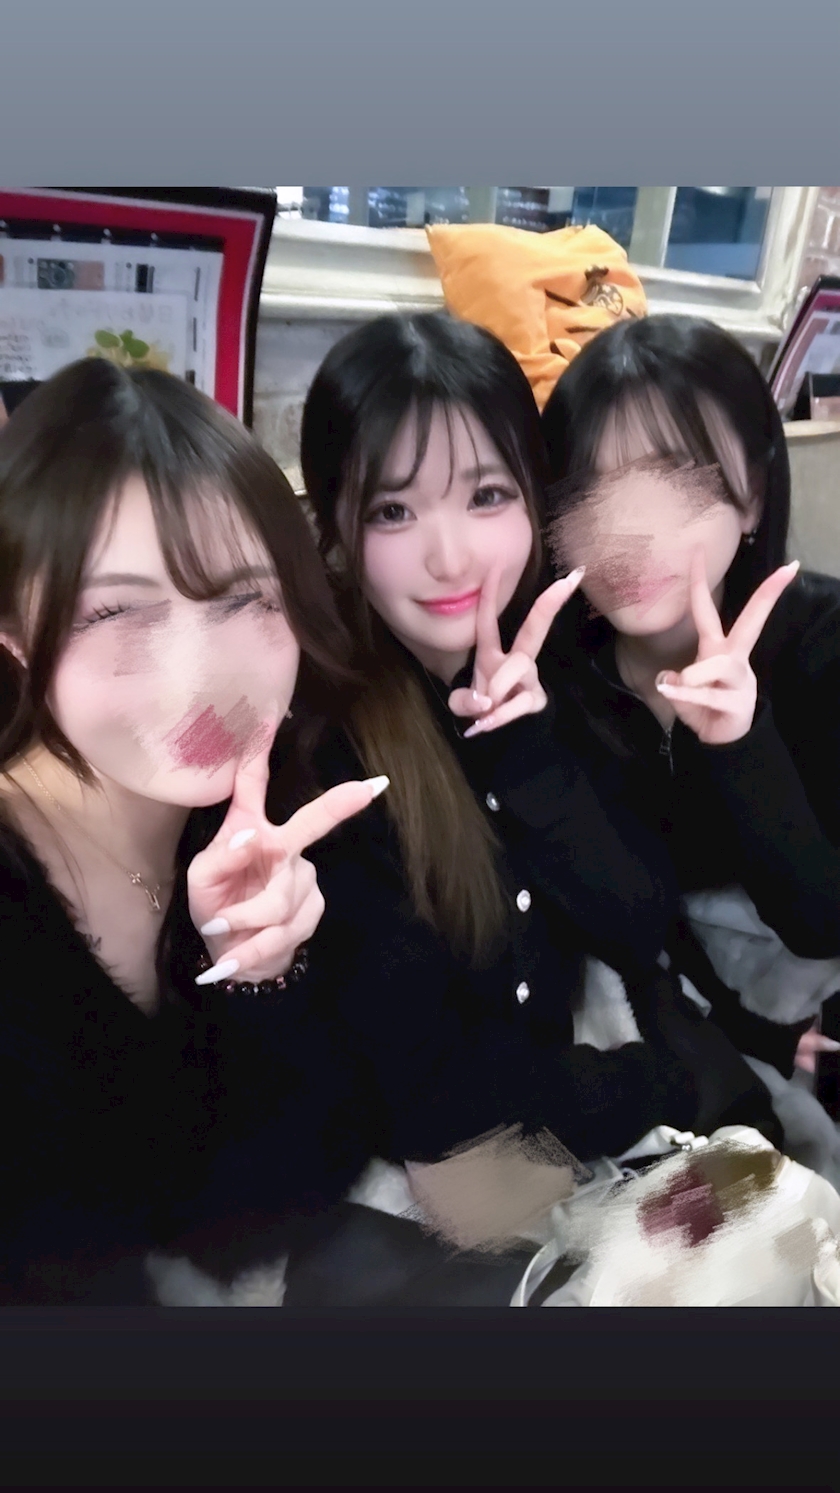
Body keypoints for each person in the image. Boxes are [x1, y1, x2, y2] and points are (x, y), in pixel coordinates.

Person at [295, 309, 780, 1195]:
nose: (451, 558)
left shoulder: (557, 658)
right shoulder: (326, 749)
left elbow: (638, 917)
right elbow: (432, 1108)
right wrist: (656, 1083)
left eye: (487, 495)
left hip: (585, 1112)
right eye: (393, 510)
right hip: (457, 1179)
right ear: (334, 527)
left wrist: (527, 754)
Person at [0, 357, 389, 1305]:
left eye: (246, 598)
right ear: (11, 629)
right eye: (116, 611)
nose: (198, 675)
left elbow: (252, 1216)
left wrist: (263, 980)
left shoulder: (266, 816)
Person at [539, 312, 840, 1080]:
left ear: (753, 496)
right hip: (682, 1009)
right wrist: (748, 1031)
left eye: (676, 480)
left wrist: (742, 742)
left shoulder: (824, 641)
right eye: (590, 490)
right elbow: (629, 912)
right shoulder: (559, 677)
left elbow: (822, 919)